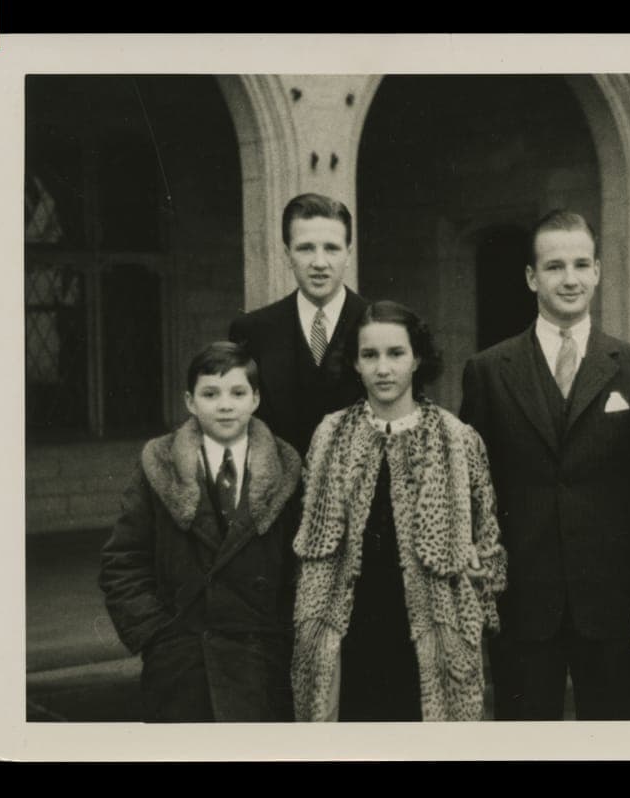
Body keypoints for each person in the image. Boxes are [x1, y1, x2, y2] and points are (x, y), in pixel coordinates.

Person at [459, 210, 630, 721]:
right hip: (521, 606)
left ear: (598, 271)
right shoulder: (489, 371)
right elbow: (474, 493)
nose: (571, 278)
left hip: (614, 605)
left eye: (582, 264)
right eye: (555, 266)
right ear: (532, 277)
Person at [291, 300, 507, 721]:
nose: (383, 368)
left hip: (430, 634)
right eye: (369, 355)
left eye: (396, 353)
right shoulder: (330, 434)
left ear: (417, 358)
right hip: (349, 631)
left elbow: (488, 544)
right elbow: (310, 538)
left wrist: (474, 609)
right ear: (355, 363)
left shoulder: (457, 439)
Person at [99, 342, 303, 722]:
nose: (225, 405)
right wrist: (158, 638)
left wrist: (283, 634)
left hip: (261, 663)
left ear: (255, 399)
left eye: (238, 393)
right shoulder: (158, 466)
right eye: (210, 394)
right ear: (190, 402)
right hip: (183, 665)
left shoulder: (286, 471)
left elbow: (302, 565)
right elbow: (122, 561)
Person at [229, 193, 367, 458]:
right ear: (287, 254)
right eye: (305, 248)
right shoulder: (253, 331)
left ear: (348, 254)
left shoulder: (379, 326)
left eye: (332, 248)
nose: (319, 263)